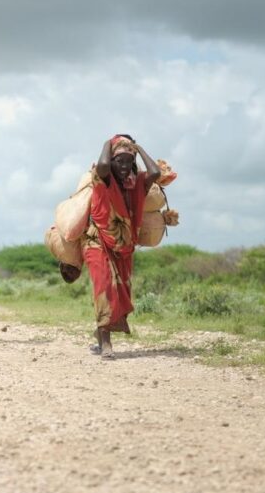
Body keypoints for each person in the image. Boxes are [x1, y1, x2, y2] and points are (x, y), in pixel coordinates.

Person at [83, 134, 160, 359]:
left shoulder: (136, 185)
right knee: (104, 289)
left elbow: (155, 172)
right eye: (120, 161)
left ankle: (100, 339)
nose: (125, 167)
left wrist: (137, 148)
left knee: (120, 292)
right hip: (97, 241)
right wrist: (109, 142)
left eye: (129, 162)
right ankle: (106, 344)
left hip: (124, 247)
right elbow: (104, 164)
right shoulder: (102, 178)